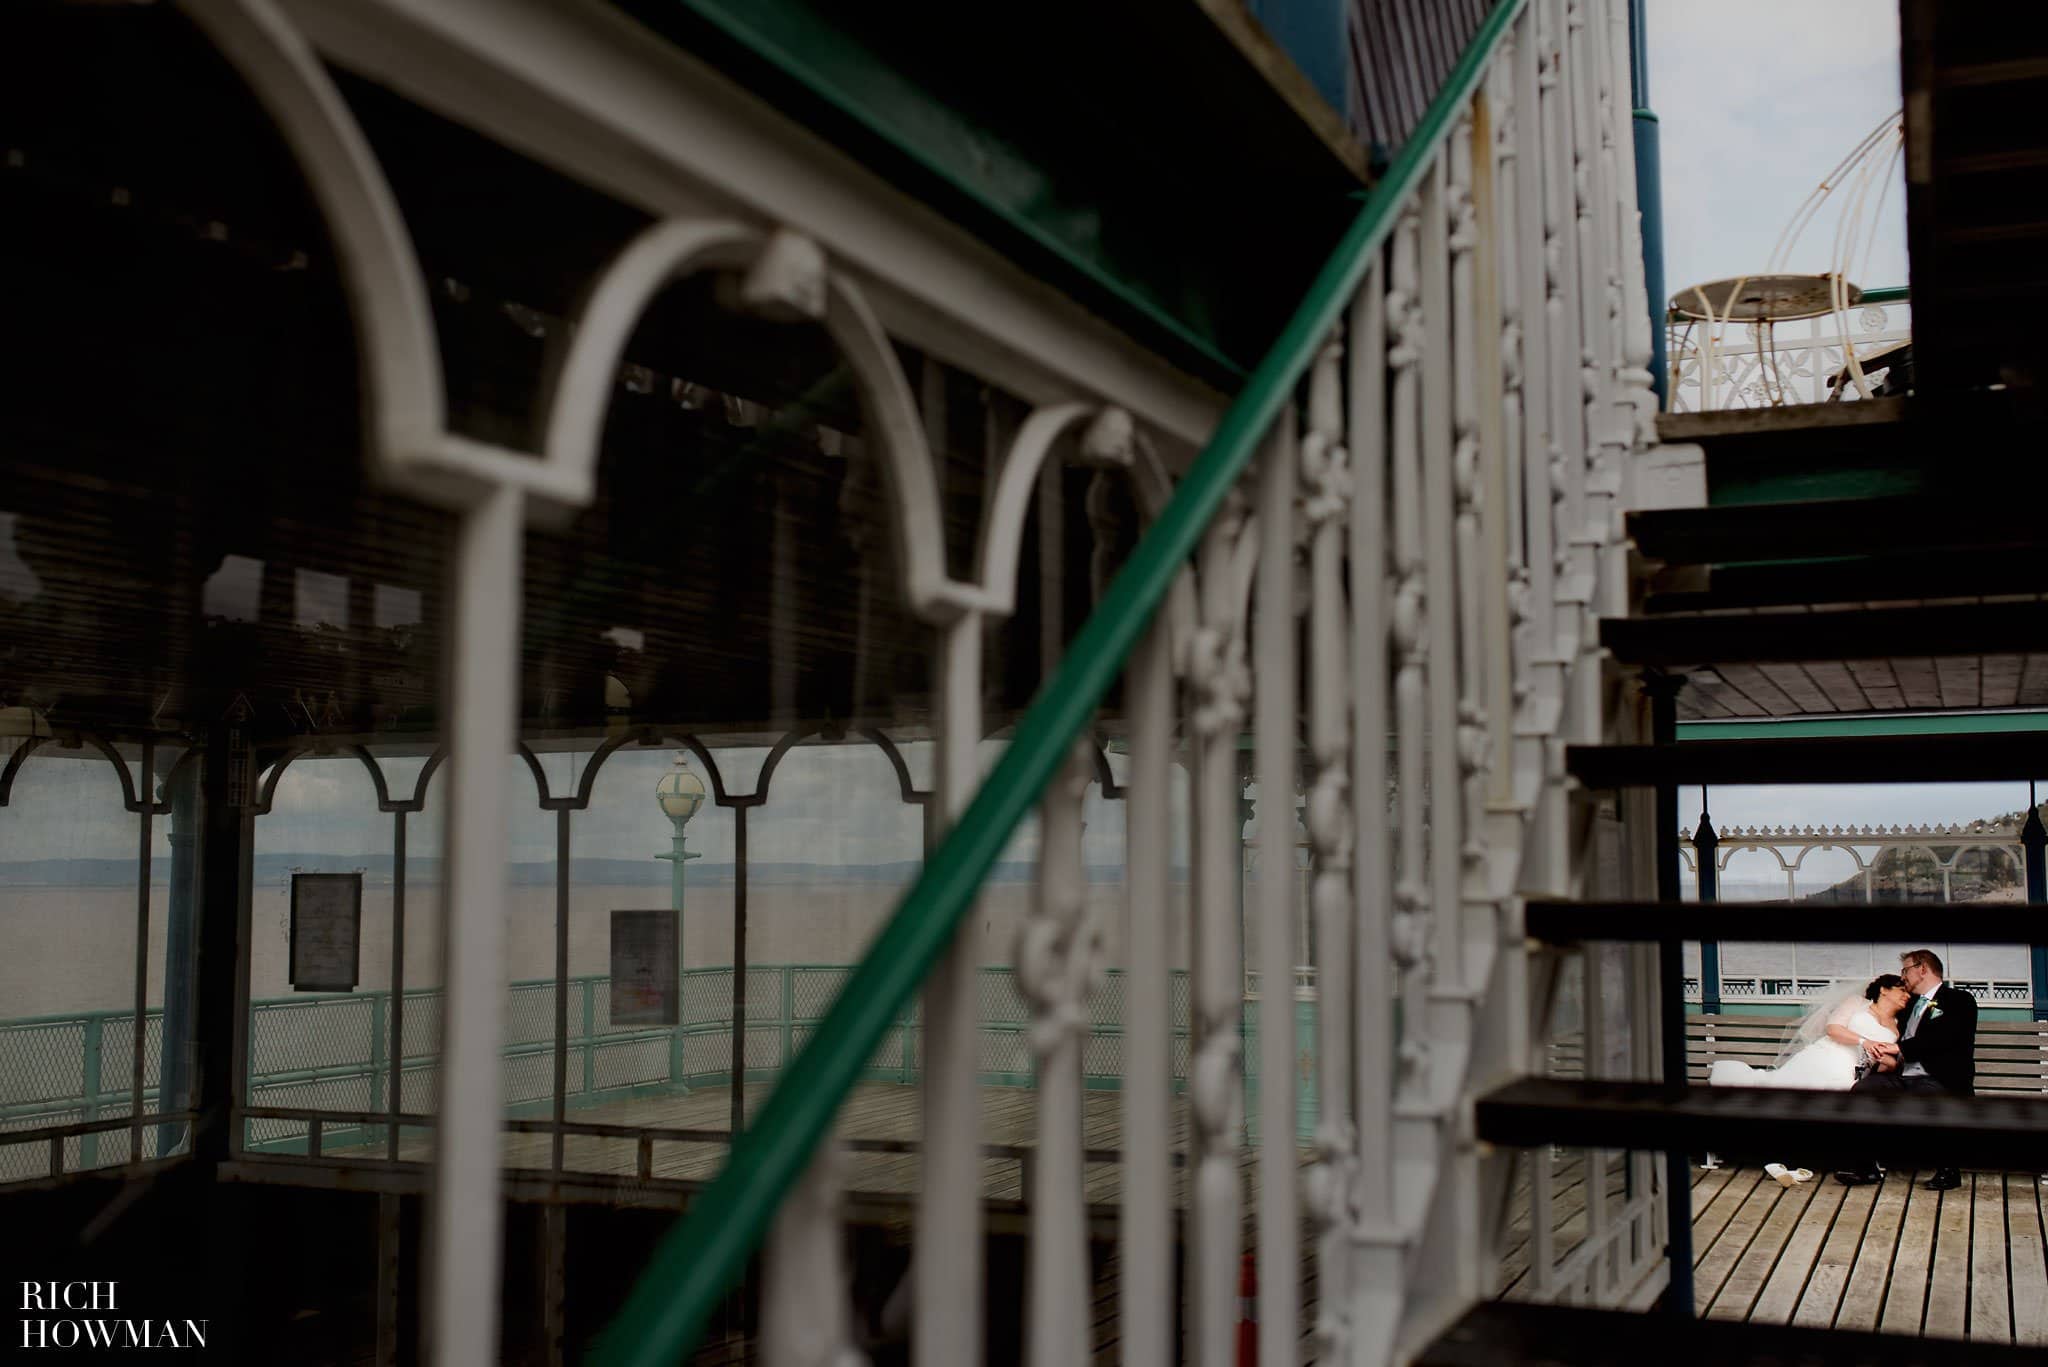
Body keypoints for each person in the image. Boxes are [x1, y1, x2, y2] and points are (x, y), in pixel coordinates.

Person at [1835, 949, 1978, 1191]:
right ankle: (1866, 1167)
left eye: (1906, 970)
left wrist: (1896, 1047)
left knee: (1928, 1096)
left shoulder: (1959, 1000)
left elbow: (1945, 1037)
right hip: (1902, 1076)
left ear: (1922, 969)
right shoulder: (1909, 1003)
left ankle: (1948, 1170)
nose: (1903, 978)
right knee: (1865, 1089)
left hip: (1939, 1078)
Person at [1709, 974, 1910, 1091]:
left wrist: (1883, 1060)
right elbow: (1833, 1029)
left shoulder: (1897, 1026)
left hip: (1852, 1070)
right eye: (1902, 990)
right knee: (1779, 1087)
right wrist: (1864, 1042)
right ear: (1884, 990)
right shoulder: (1857, 1003)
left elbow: (1890, 1065)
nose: (1907, 996)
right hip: (1824, 1055)